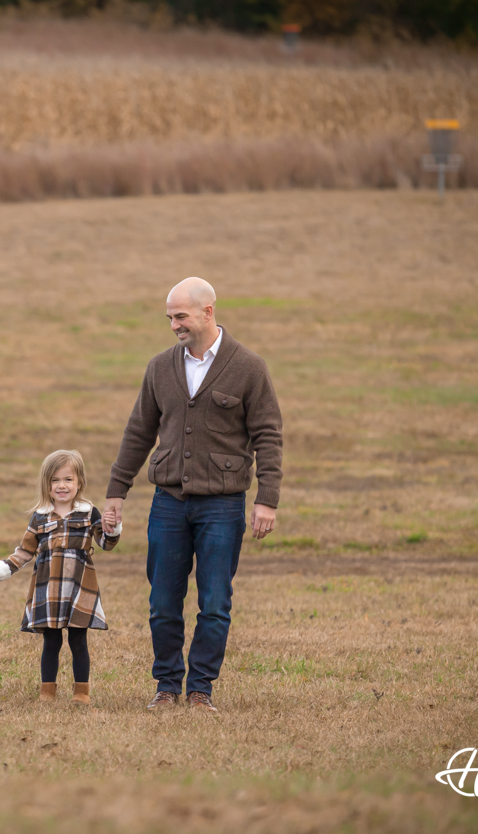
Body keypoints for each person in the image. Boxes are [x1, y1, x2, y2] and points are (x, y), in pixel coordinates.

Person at [102, 277, 282, 713]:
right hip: (168, 503)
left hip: (223, 505)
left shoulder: (249, 367)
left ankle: (201, 689)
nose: (173, 325)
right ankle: (166, 686)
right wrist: (116, 491)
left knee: (215, 602)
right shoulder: (160, 367)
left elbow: (268, 435)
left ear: (208, 312)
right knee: (162, 601)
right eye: (169, 317)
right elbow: (139, 431)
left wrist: (267, 497)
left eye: (180, 316)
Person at [0, 450, 121, 705]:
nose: (62, 486)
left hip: (79, 586)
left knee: (78, 639)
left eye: (68, 479)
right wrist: (1, 568)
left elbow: (106, 542)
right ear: (46, 485)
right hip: (47, 587)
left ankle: (81, 693)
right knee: (51, 641)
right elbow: (25, 551)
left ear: (79, 482)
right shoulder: (40, 516)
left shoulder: (88, 512)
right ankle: (47, 692)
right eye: (55, 480)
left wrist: (112, 527)